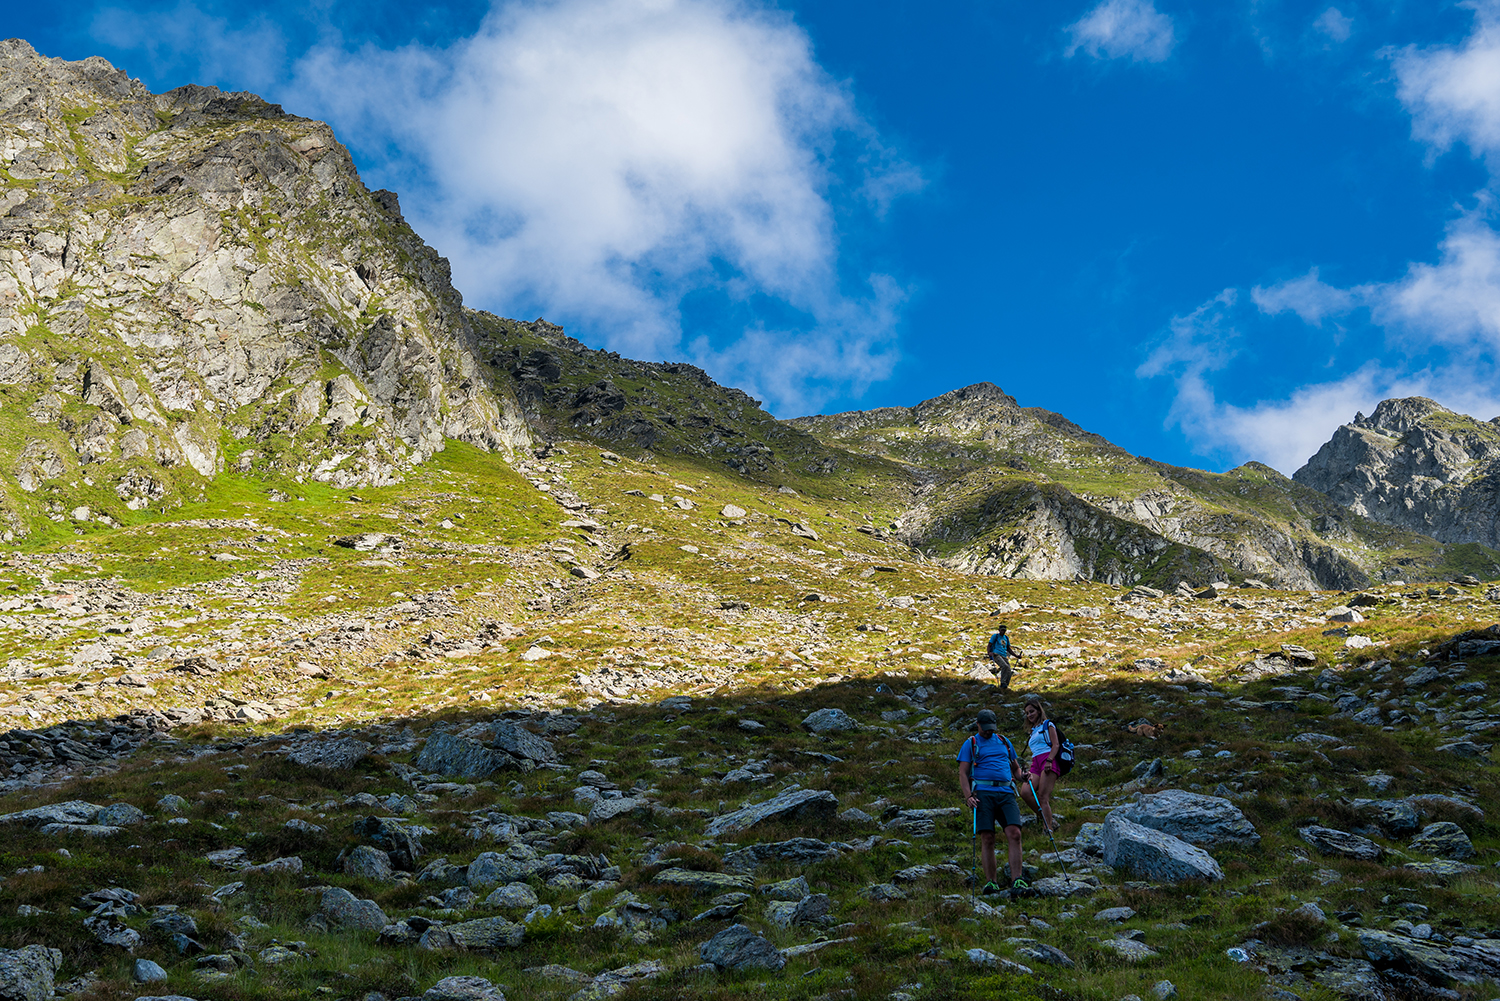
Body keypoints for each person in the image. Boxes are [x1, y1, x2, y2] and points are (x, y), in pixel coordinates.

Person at [956, 708, 1028, 894]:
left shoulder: (1004, 741)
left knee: (1015, 833)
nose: (989, 731)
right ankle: (991, 882)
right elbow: (963, 773)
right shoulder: (971, 743)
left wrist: (1023, 776)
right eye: (985, 728)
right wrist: (968, 796)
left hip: (1006, 792)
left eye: (991, 728)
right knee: (987, 837)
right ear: (978, 724)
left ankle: (1017, 880)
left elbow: (1016, 770)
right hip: (982, 793)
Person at [1022, 695, 1062, 833]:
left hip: (1047, 759)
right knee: (1025, 792)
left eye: (1031, 711)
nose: (1029, 715)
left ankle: (1048, 828)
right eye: (1027, 713)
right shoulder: (1033, 731)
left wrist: (1050, 760)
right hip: (1035, 762)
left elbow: (1056, 744)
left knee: (1042, 796)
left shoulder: (1048, 725)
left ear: (1039, 710)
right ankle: (1048, 819)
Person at [986, 624, 1020, 691]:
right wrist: (989, 652)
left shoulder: (1006, 638)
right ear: (999, 630)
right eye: (1002, 630)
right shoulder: (995, 636)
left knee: (1009, 671)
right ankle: (1003, 683)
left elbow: (1008, 649)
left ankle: (1005, 686)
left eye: (1004, 630)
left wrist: (1016, 656)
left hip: (1004, 655)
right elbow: (989, 645)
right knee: (1004, 666)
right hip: (996, 654)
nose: (1003, 631)